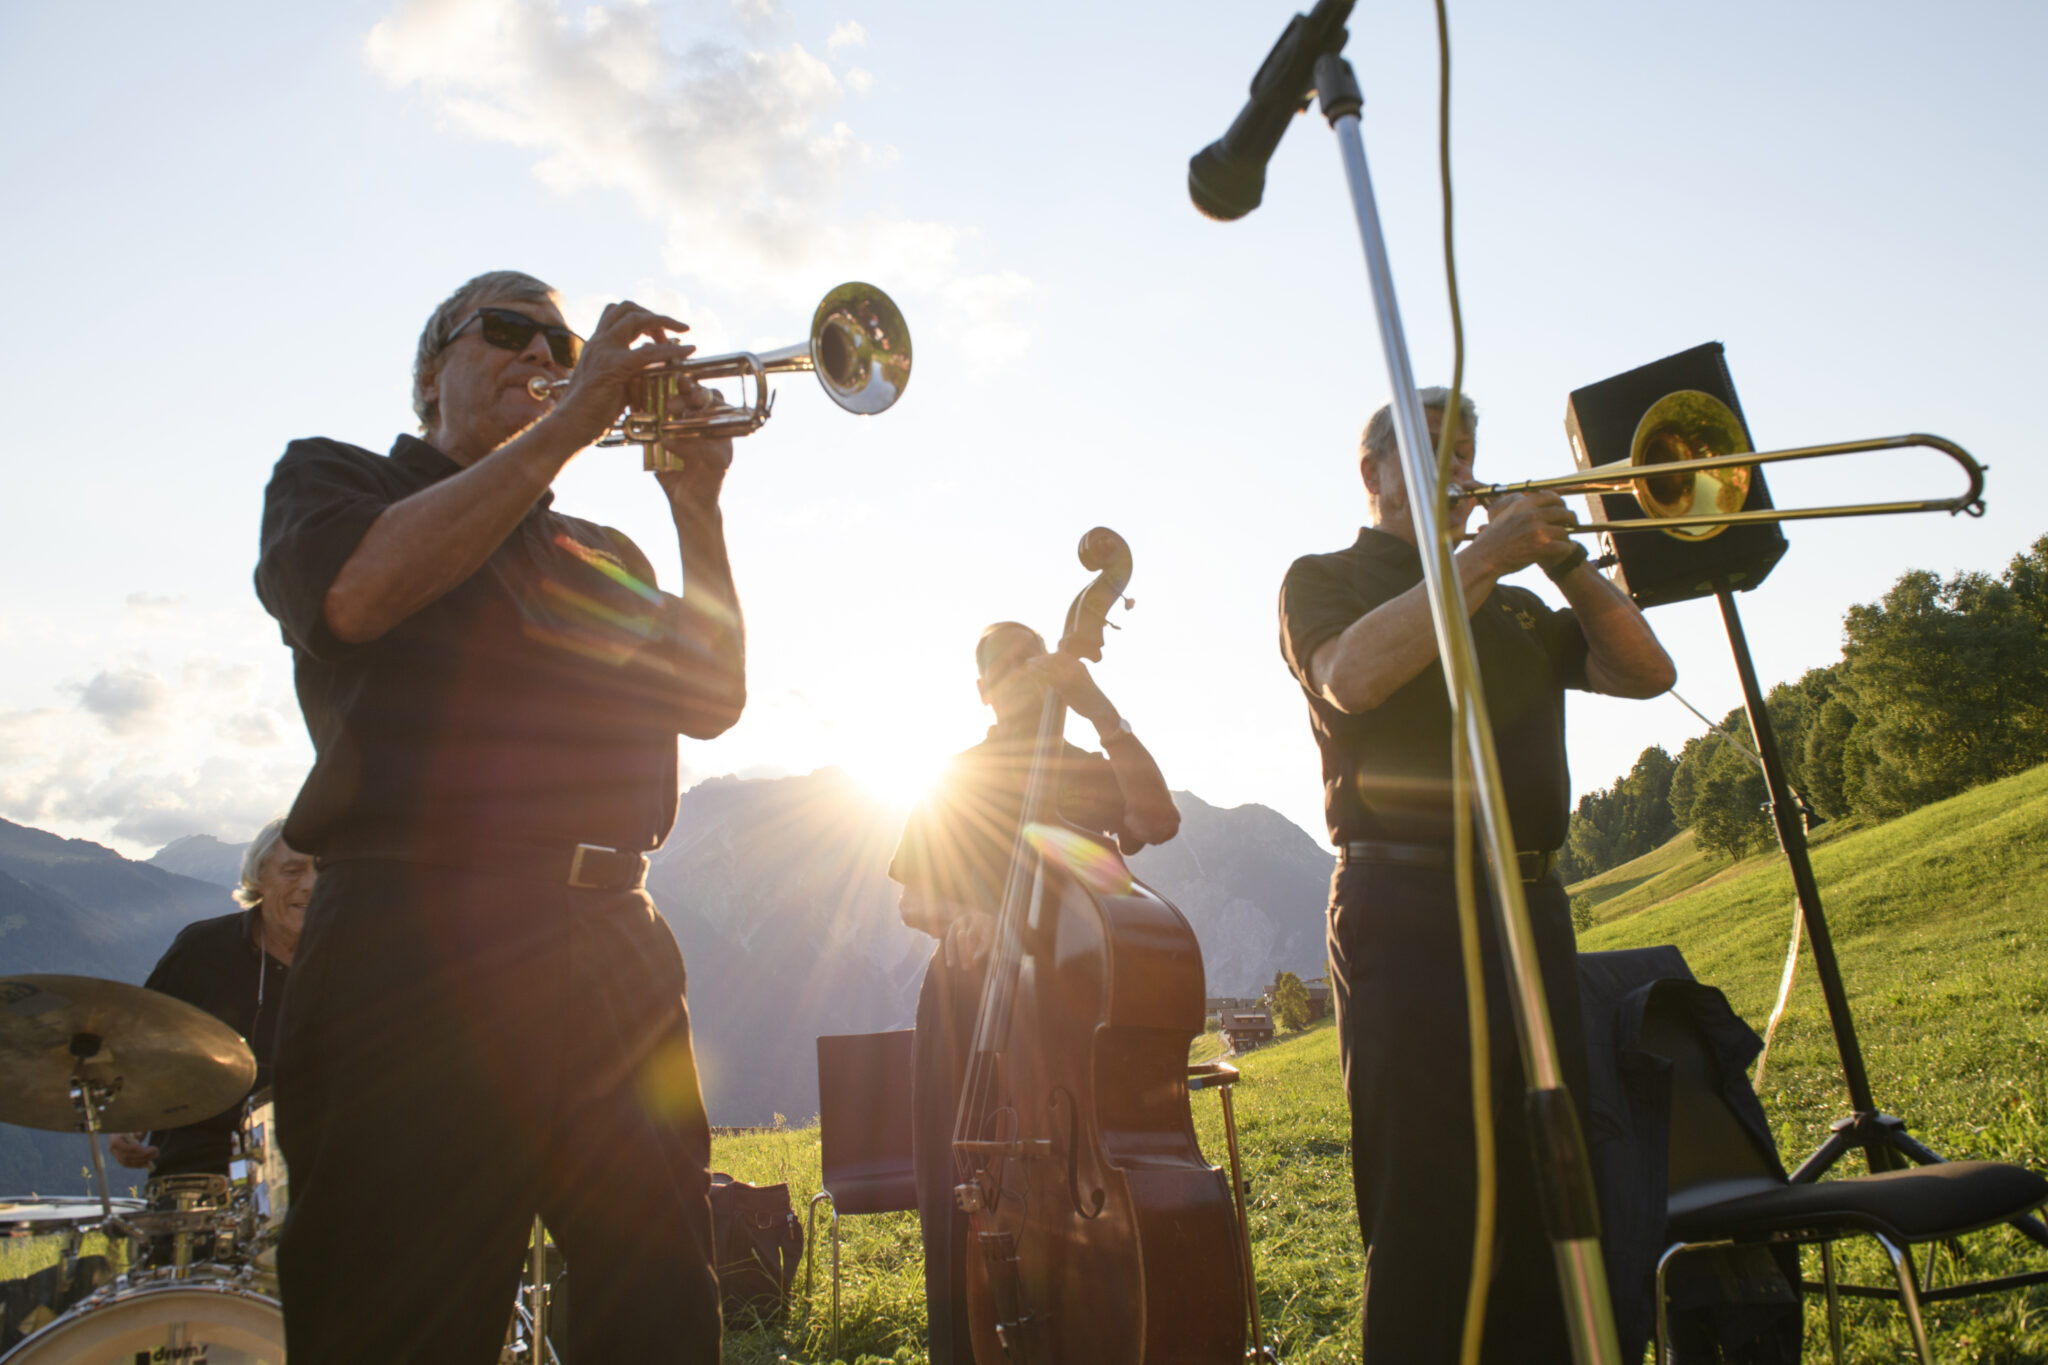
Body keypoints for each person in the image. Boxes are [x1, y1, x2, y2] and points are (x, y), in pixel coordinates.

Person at [254, 270, 745, 1364]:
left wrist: (695, 506)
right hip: (414, 938)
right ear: (434, 370)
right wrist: (575, 420)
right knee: (400, 1313)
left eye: (564, 348)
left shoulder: (598, 553)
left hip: (614, 942)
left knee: (659, 1300)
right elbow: (356, 597)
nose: (542, 356)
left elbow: (710, 697)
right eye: (509, 331)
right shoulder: (336, 480)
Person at [1277, 387, 1676, 1362]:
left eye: (1468, 453)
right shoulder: (1324, 577)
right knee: (1427, 1197)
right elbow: (1351, 677)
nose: (1457, 472)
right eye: (1432, 452)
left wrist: (1568, 561)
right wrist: (1481, 558)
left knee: (1553, 1177)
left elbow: (1644, 671)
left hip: (1529, 900)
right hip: (1403, 904)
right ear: (1372, 473)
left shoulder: (1515, 601)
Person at [886, 621, 1181, 1365]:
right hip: (966, 1009)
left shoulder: (1084, 764)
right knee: (961, 1192)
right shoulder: (953, 777)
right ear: (982, 691)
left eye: (1032, 658)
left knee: (1077, 1176)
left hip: (1073, 1005)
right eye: (1002, 666)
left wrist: (1098, 705)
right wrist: (963, 915)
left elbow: (1156, 819)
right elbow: (913, 899)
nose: (1020, 672)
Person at [110, 817, 313, 1179]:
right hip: (200, 1174)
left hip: (321, 1176)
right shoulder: (201, 952)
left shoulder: (360, 965)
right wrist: (127, 1118)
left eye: (324, 871)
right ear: (260, 877)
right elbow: (138, 1044)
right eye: (292, 871)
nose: (310, 885)